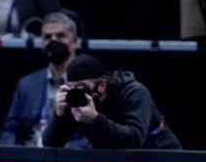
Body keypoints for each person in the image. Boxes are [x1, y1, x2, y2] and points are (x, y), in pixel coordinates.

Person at [44, 54, 182, 149]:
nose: (78, 92)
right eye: (71, 87)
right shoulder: (76, 99)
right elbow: (50, 144)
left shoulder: (134, 92)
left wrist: (95, 119)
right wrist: (59, 115)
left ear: (102, 85)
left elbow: (134, 140)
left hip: (159, 155)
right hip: (115, 161)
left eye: (82, 87)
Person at [0, 12, 90, 148]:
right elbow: (8, 132)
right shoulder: (26, 84)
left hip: (69, 158)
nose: (53, 41)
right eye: (47, 37)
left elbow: (93, 137)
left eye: (60, 36)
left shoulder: (88, 82)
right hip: (29, 156)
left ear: (75, 41)